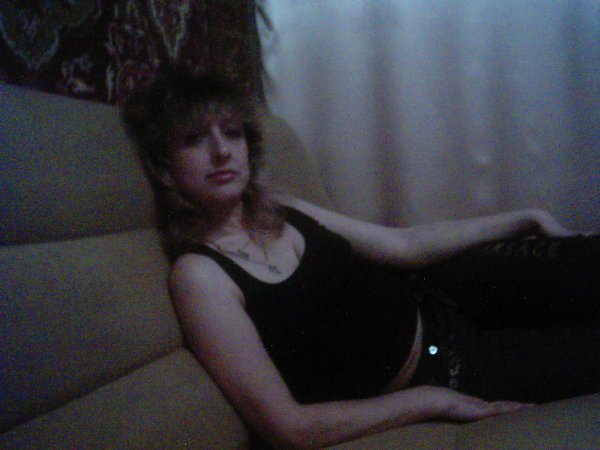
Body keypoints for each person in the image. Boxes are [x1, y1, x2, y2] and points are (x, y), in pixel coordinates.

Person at [122, 69, 599, 449]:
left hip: (451, 289)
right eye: (195, 139)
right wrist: (430, 401)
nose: (222, 151)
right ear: (165, 166)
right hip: (448, 368)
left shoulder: (283, 208)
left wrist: (523, 219)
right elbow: (289, 426)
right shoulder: (199, 277)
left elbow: (404, 247)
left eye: (232, 133)